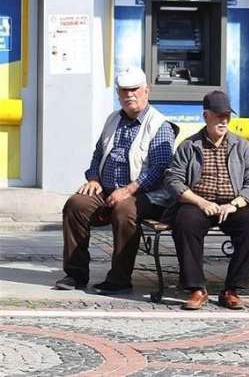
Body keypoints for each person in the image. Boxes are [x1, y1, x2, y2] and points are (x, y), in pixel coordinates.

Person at [55, 66, 176, 294]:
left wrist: (129, 190)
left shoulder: (160, 125)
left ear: (146, 91)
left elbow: (160, 169)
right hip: (107, 189)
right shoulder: (113, 119)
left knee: (124, 210)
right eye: (123, 90)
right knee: (76, 205)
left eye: (134, 89)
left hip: (145, 195)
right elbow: (98, 153)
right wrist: (93, 178)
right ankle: (75, 274)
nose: (129, 95)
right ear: (118, 94)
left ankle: (119, 278)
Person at [163, 90, 249, 310]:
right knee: (185, 223)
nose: (224, 121)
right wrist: (200, 202)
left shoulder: (241, 146)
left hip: (233, 202)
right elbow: (173, 180)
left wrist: (236, 203)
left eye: (227, 116)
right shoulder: (189, 146)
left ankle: (232, 289)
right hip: (198, 202)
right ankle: (196, 289)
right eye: (219, 115)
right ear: (206, 116)